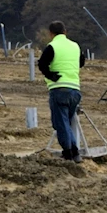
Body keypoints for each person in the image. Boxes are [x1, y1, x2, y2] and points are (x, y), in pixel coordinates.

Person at [37, 20, 85, 163]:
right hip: (75, 90)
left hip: (59, 89)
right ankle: (73, 151)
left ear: (51, 34)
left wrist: (51, 75)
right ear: (65, 32)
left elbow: (41, 64)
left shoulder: (52, 46)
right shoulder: (75, 46)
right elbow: (81, 62)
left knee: (61, 123)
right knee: (66, 122)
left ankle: (71, 152)